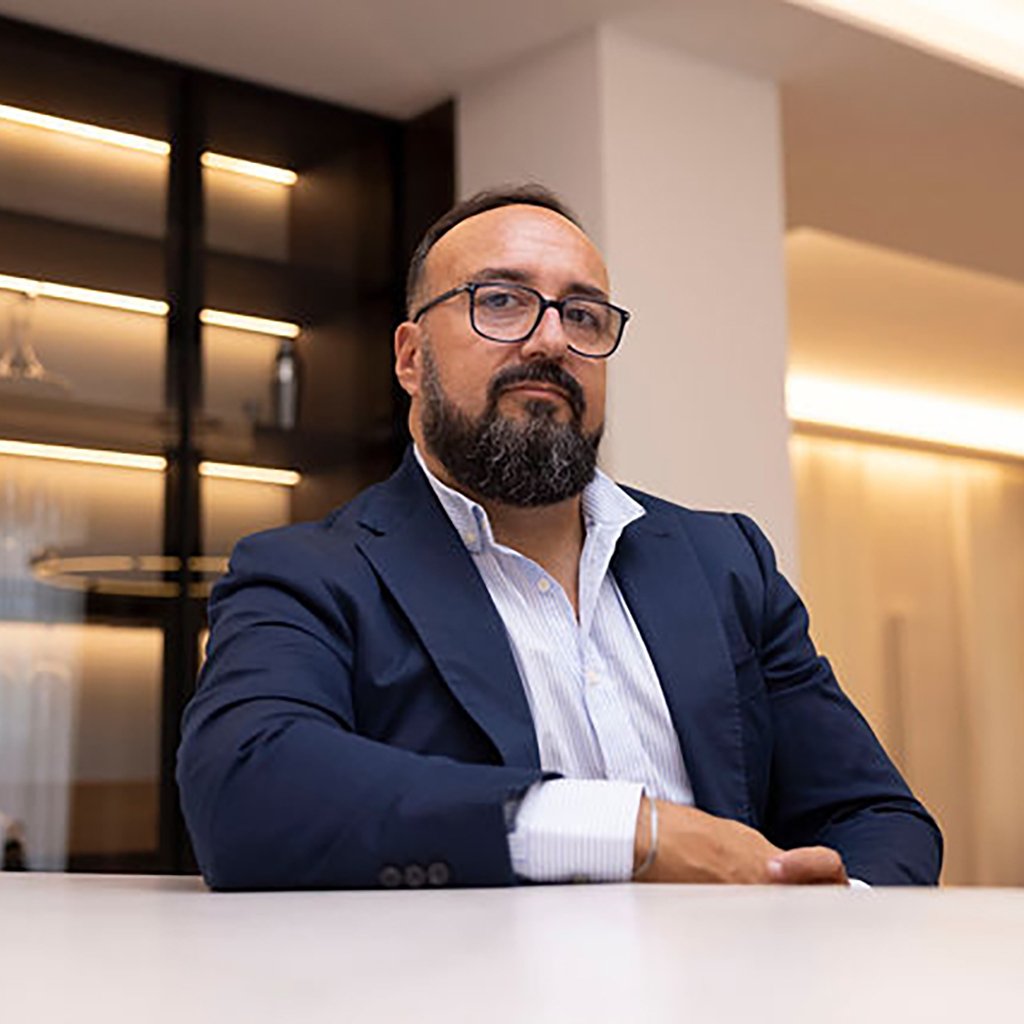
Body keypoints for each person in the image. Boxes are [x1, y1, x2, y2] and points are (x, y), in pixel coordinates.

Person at [177, 185, 942, 891]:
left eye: (583, 315)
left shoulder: (728, 564)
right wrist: (634, 832)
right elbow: (246, 787)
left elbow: (877, 816)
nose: (551, 340)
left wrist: (827, 921)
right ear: (410, 357)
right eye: (500, 301)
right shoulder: (306, 573)